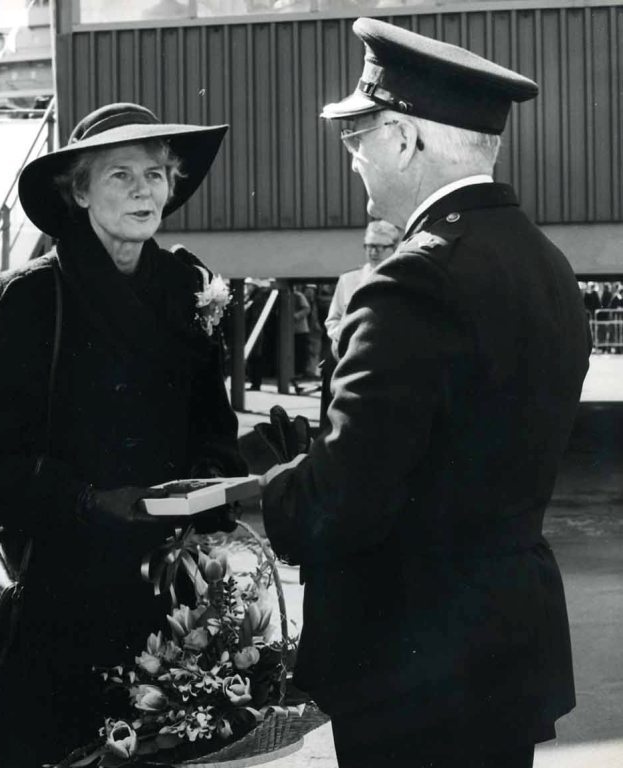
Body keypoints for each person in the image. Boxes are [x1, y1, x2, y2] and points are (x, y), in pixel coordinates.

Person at [260, 18, 589, 768]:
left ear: (404, 141)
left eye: (359, 142)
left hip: (409, 663)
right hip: (503, 650)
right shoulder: (546, 265)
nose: (355, 165)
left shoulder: (414, 278)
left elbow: (347, 496)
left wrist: (273, 489)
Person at [0, 102, 245, 768]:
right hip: (61, 594)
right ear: (77, 191)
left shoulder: (190, 287)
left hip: (168, 593)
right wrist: (85, 501)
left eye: (156, 173)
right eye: (119, 175)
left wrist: (218, 485)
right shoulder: (30, 297)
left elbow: (212, 428)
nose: (144, 190)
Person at [324, 219, 400, 358]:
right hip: (354, 357)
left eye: (380, 247)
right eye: (369, 246)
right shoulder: (348, 281)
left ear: (394, 248)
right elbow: (333, 320)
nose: (373, 252)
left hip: (391, 355)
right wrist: (346, 341)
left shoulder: (402, 281)